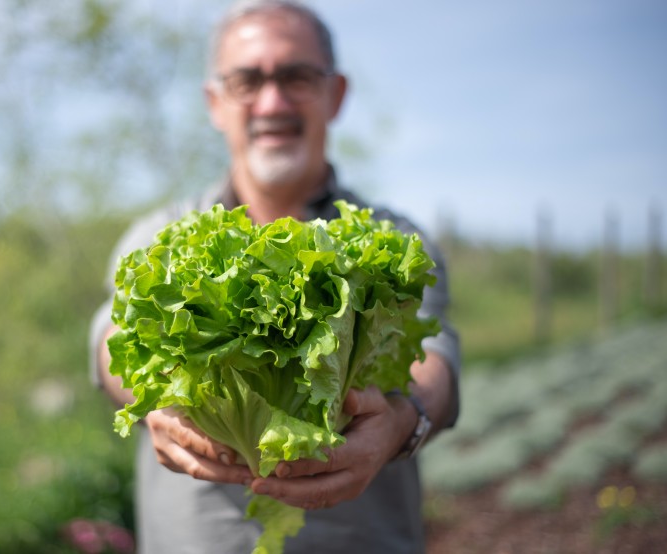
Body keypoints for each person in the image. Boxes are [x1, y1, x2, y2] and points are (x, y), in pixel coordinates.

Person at [88, 1, 460, 552]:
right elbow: (112, 337)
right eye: (247, 80)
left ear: (335, 95)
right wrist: (154, 404)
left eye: (296, 77)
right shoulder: (162, 235)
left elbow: (434, 353)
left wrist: (405, 421)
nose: (272, 101)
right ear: (215, 103)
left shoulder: (390, 238)